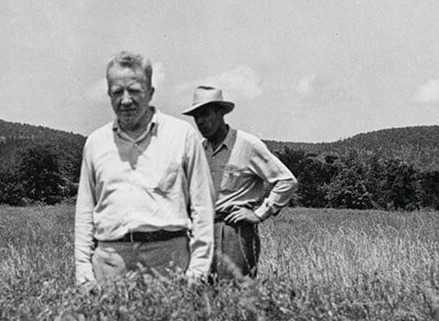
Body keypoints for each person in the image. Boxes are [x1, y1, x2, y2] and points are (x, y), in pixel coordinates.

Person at [74, 52, 215, 286]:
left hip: (168, 261)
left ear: (150, 93)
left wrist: (198, 271)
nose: (126, 100)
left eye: (135, 91)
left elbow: (202, 207)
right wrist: (83, 270)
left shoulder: (182, 136)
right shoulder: (96, 143)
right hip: (110, 264)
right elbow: (85, 212)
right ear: (108, 94)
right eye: (117, 92)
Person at [183, 86, 297, 281]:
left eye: (204, 114)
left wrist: (259, 213)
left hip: (234, 231)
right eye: (196, 117)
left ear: (220, 113)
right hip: (202, 231)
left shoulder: (248, 145)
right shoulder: (199, 150)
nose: (200, 121)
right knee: (201, 294)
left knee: (234, 292)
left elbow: (286, 181)